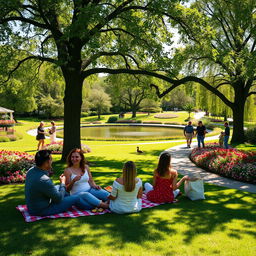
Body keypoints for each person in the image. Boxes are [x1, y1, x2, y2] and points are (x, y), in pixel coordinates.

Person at [25, 150, 93, 216]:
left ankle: (72, 202)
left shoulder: (31, 171)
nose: (52, 161)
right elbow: (59, 199)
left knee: (66, 193)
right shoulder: (44, 180)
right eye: (51, 159)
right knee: (76, 197)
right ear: (47, 162)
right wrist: (62, 183)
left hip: (32, 207)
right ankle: (92, 207)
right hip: (42, 210)